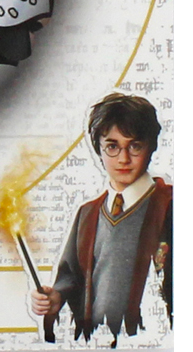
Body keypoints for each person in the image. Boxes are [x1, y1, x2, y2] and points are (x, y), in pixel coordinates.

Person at [31, 93, 172, 343]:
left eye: (135, 146)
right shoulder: (88, 214)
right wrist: (55, 298)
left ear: (151, 146)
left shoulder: (170, 206)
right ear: (99, 149)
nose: (124, 159)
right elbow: (70, 276)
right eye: (112, 146)